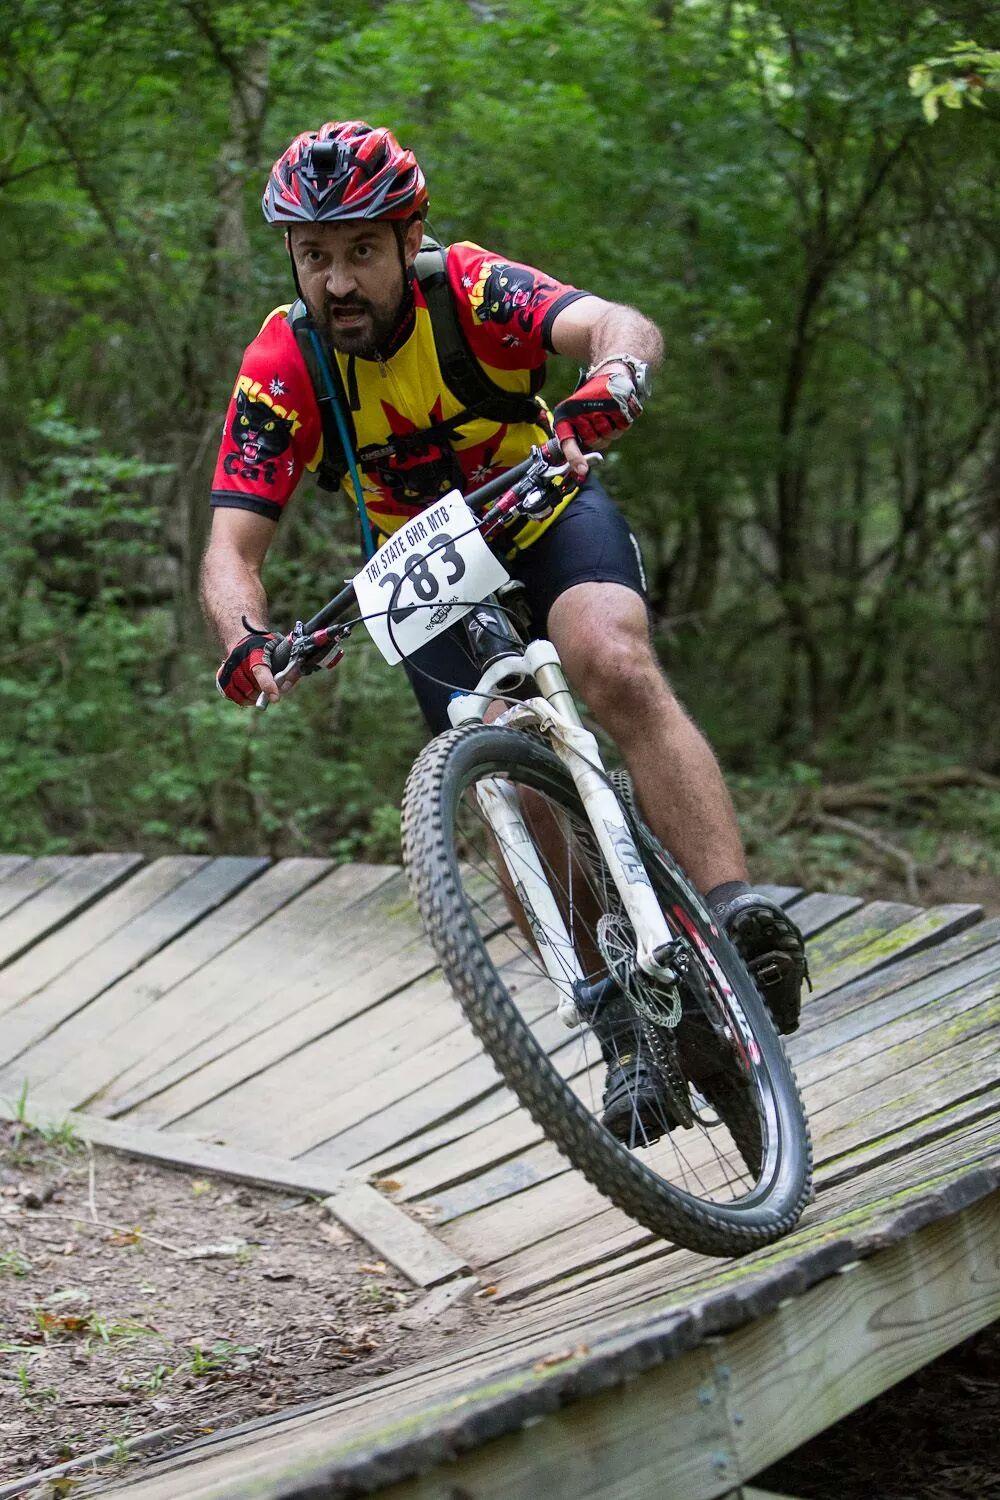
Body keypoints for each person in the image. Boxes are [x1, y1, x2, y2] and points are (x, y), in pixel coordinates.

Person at [201, 120, 807, 1143]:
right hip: (418, 569)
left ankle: (737, 914)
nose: (337, 281)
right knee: (505, 786)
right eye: (315, 257)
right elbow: (231, 548)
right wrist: (247, 643)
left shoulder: (472, 291)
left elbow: (617, 323)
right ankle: (619, 1027)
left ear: (407, 240)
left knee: (609, 660)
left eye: (359, 251)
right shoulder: (286, 359)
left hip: (540, 505)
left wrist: (612, 381)